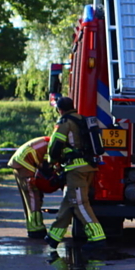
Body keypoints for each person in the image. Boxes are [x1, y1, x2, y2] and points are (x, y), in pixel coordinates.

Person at [43, 97, 106, 249]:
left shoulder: (65, 123)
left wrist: (51, 162)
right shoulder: (82, 120)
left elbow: (55, 146)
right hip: (88, 168)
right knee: (69, 202)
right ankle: (54, 237)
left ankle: (97, 238)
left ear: (60, 110)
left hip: (76, 171)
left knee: (79, 203)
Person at [7, 136, 50, 238]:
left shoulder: (48, 142)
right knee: (33, 194)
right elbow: (47, 165)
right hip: (24, 164)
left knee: (30, 196)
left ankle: (33, 226)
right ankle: (36, 229)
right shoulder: (52, 145)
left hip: (21, 162)